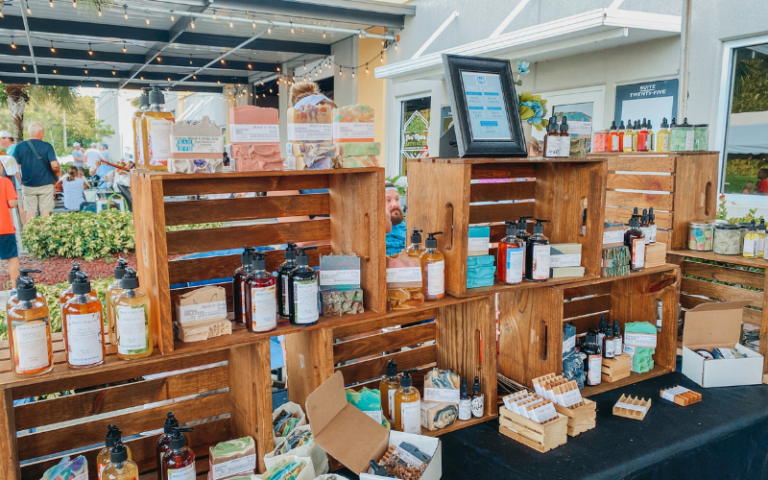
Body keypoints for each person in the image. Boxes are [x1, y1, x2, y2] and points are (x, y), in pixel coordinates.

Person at [13, 122, 60, 223]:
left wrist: (21, 182)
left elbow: (15, 168)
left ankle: (30, 232)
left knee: (30, 212)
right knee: (45, 212)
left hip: (28, 185)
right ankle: (44, 232)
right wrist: (58, 170)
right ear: (40, 132)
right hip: (46, 184)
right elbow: (54, 165)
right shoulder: (47, 146)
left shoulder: (20, 146)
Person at [0, 160, 19, 287]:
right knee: (12, 259)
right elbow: (12, 203)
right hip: (4, 228)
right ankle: (15, 288)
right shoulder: (5, 182)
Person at [0, 131, 23, 221]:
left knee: (21, 207)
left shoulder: (13, 149)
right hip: (15, 183)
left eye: (0, 139)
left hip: (17, 183)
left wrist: (20, 182)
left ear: (7, 138)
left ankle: (25, 227)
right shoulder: (10, 150)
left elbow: (15, 168)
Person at [385, 181, 406, 256]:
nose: (395, 204)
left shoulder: (410, 229)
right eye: (388, 200)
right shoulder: (368, 234)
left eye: (397, 199)